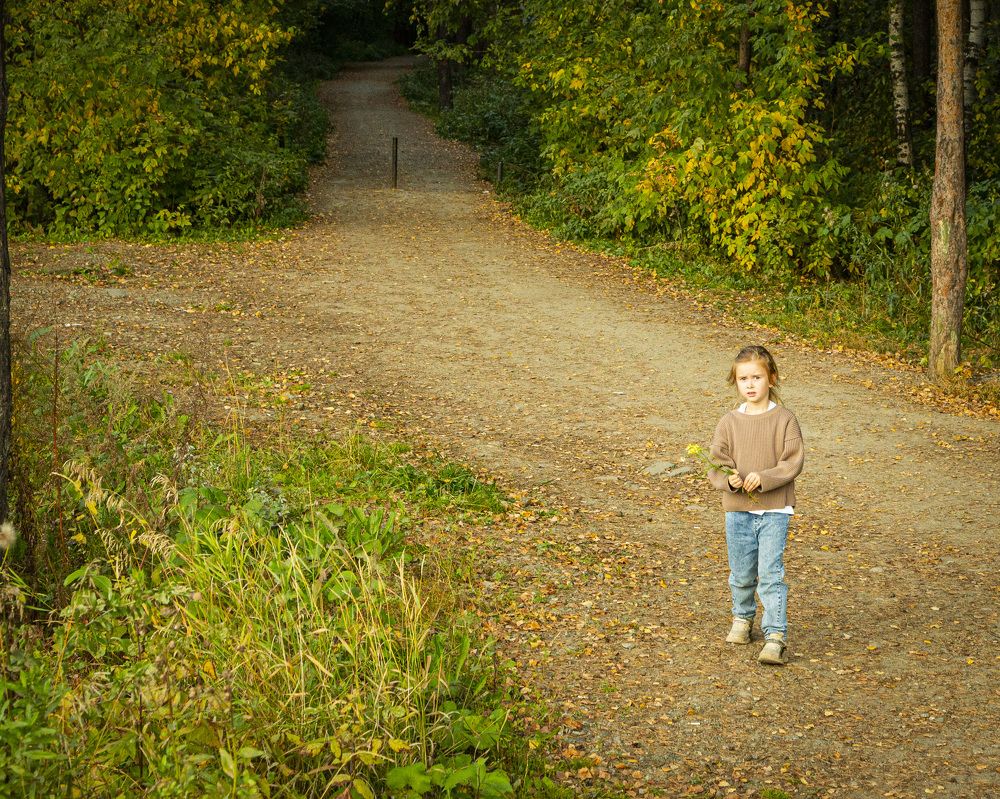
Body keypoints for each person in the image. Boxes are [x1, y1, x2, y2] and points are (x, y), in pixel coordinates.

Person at [707, 345, 805, 666]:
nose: (750, 385)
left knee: (770, 572)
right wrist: (730, 479)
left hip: (775, 509)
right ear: (735, 382)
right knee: (741, 571)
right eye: (743, 378)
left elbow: (791, 462)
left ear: (771, 378)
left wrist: (763, 478)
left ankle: (775, 635)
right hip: (738, 511)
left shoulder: (785, 420)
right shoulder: (729, 422)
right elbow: (716, 463)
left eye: (757, 377)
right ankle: (742, 618)